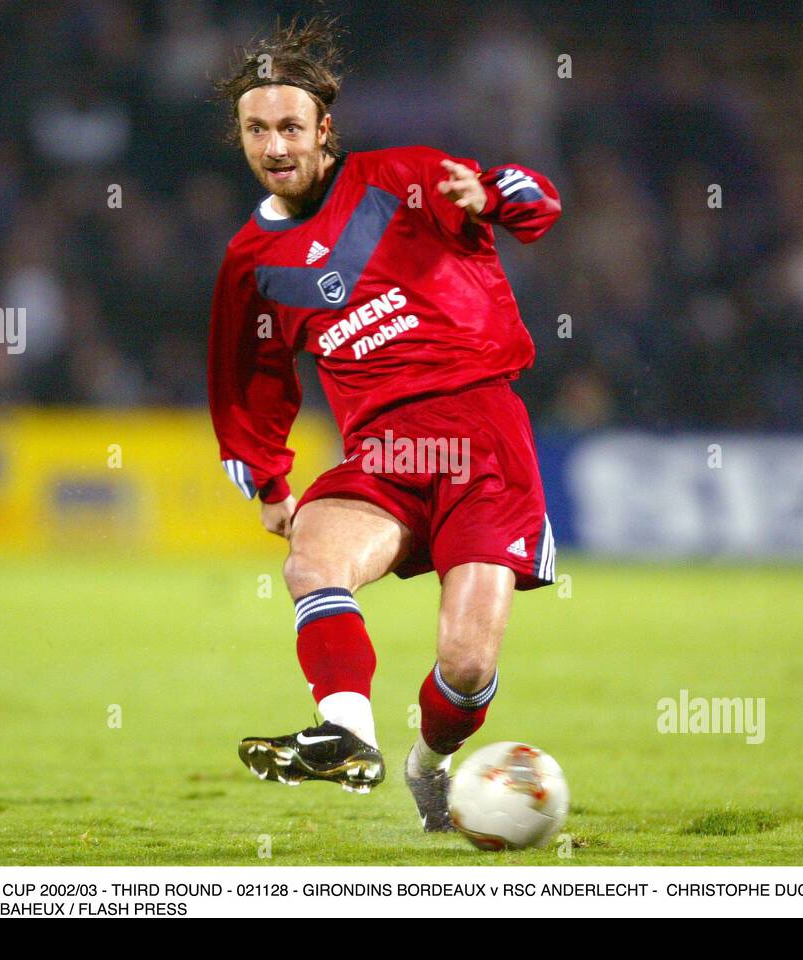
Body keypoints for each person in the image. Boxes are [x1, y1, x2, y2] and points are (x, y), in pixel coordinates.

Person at [208, 17, 561, 831]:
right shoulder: (250, 263)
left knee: (467, 665)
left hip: (483, 441)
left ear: (324, 129)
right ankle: (345, 732)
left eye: (290, 126)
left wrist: (495, 191)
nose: (275, 145)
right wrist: (268, 477)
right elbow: (245, 383)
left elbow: (541, 205)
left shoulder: (408, 176)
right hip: (381, 451)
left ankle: (428, 763)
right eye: (256, 129)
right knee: (313, 559)